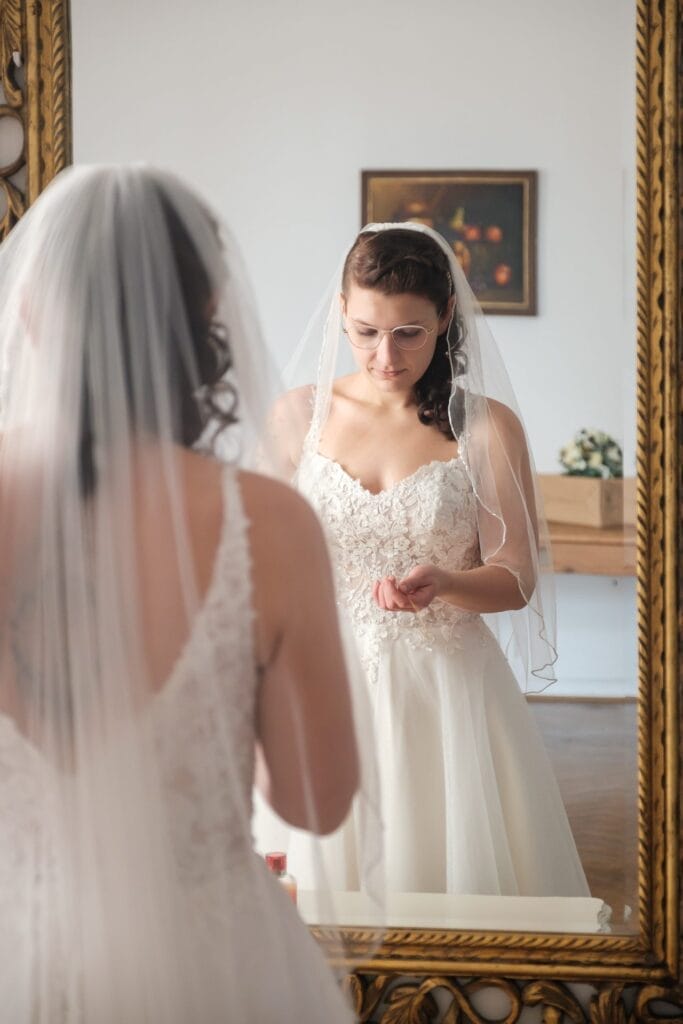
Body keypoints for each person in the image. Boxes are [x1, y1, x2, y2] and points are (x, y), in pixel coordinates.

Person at [0, 165, 381, 1022]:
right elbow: (314, 805)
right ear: (211, 308)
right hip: (208, 962)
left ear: (26, 305)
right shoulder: (268, 525)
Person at [274, 223, 589, 897]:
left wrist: (445, 581)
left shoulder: (485, 426)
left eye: (408, 333)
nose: (384, 355)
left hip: (446, 696)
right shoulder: (293, 417)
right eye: (364, 331)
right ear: (340, 311)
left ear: (445, 315)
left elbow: (516, 579)